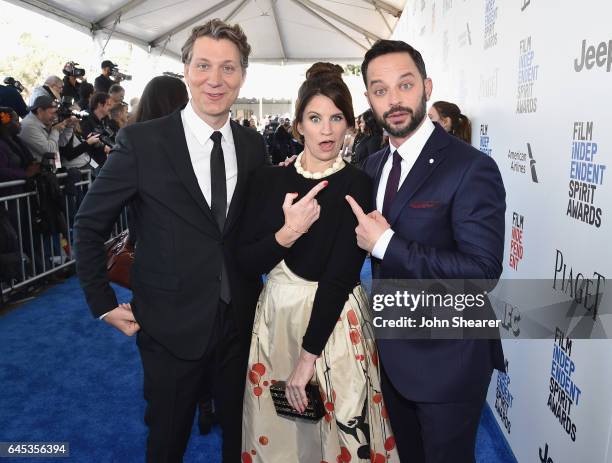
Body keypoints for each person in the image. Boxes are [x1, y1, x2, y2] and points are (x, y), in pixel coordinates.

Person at [74, 19, 267, 462]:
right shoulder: (143, 142)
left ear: (242, 76)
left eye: (228, 68)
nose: (214, 80)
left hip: (241, 325)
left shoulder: (254, 147)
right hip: (167, 328)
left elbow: (249, 233)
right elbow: (88, 226)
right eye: (203, 65)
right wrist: (102, 302)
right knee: (166, 442)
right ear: (186, 70)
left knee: (243, 443)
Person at [346, 39, 506, 463]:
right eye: (380, 90)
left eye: (405, 85)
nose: (394, 100)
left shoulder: (470, 167)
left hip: (448, 360)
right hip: (393, 354)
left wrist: (387, 244)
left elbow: (481, 272)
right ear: (369, 99)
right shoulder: (375, 165)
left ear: (426, 86)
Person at [238, 63, 398, 463]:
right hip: (277, 323)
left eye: (335, 118)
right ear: (298, 125)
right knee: (284, 438)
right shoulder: (268, 181)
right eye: (315, 118)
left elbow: (340, 276)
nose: (326, 130)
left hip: (335, 327)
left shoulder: (357, 183)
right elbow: (245, 261)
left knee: (342, 432)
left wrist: (307, 360)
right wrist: (287, 233)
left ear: (349, 125)